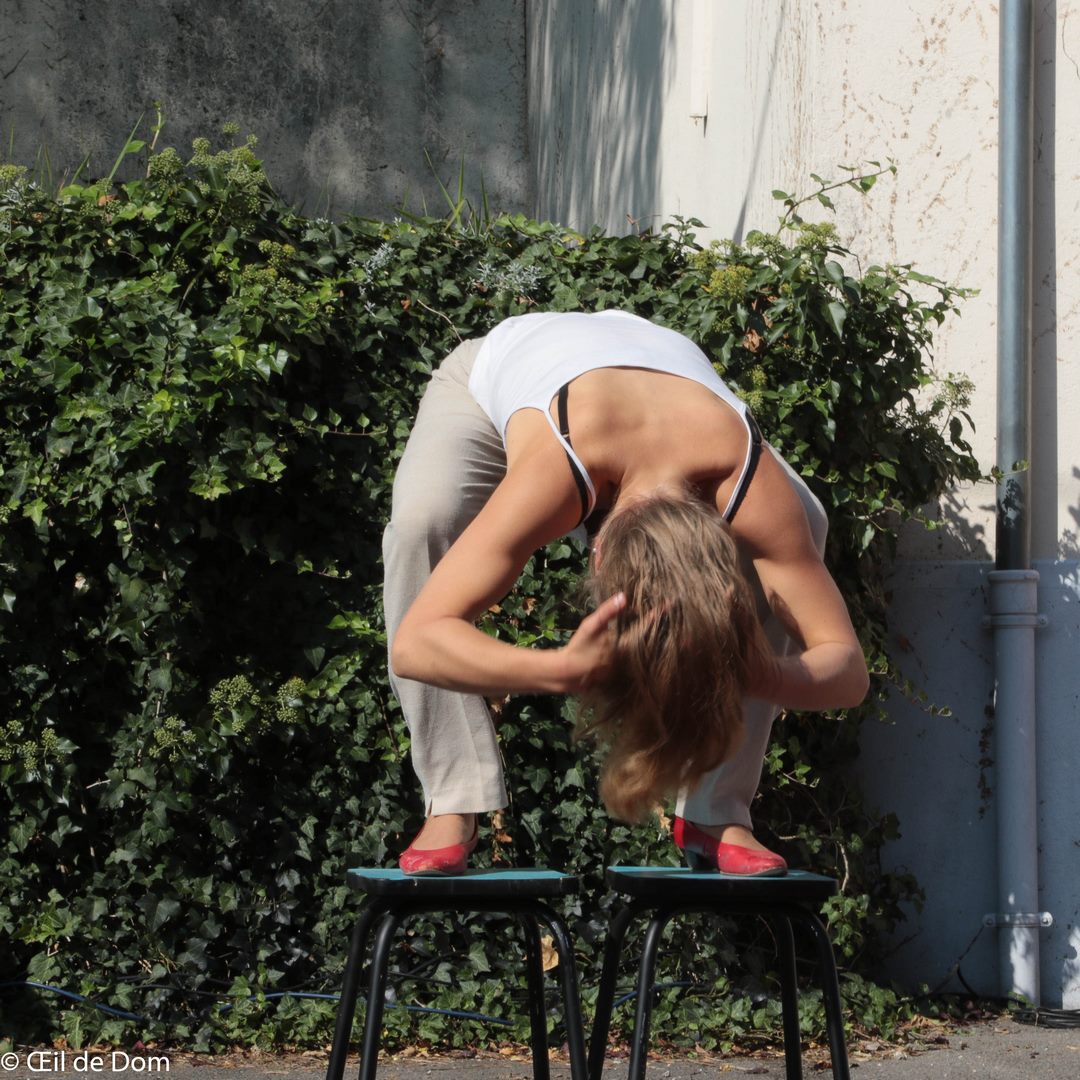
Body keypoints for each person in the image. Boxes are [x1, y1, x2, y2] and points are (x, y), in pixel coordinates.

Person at [383, 309, 869, 876]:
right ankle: (453, 798)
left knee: (802, 527)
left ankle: (715, 812)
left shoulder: (746, 485)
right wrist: (560, 670)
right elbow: (415, 643)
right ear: (595, 551)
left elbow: (848, 672)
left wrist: (750, 670)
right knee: (423, 524)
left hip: (662, 379)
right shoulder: (557, 473)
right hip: (502, 372)